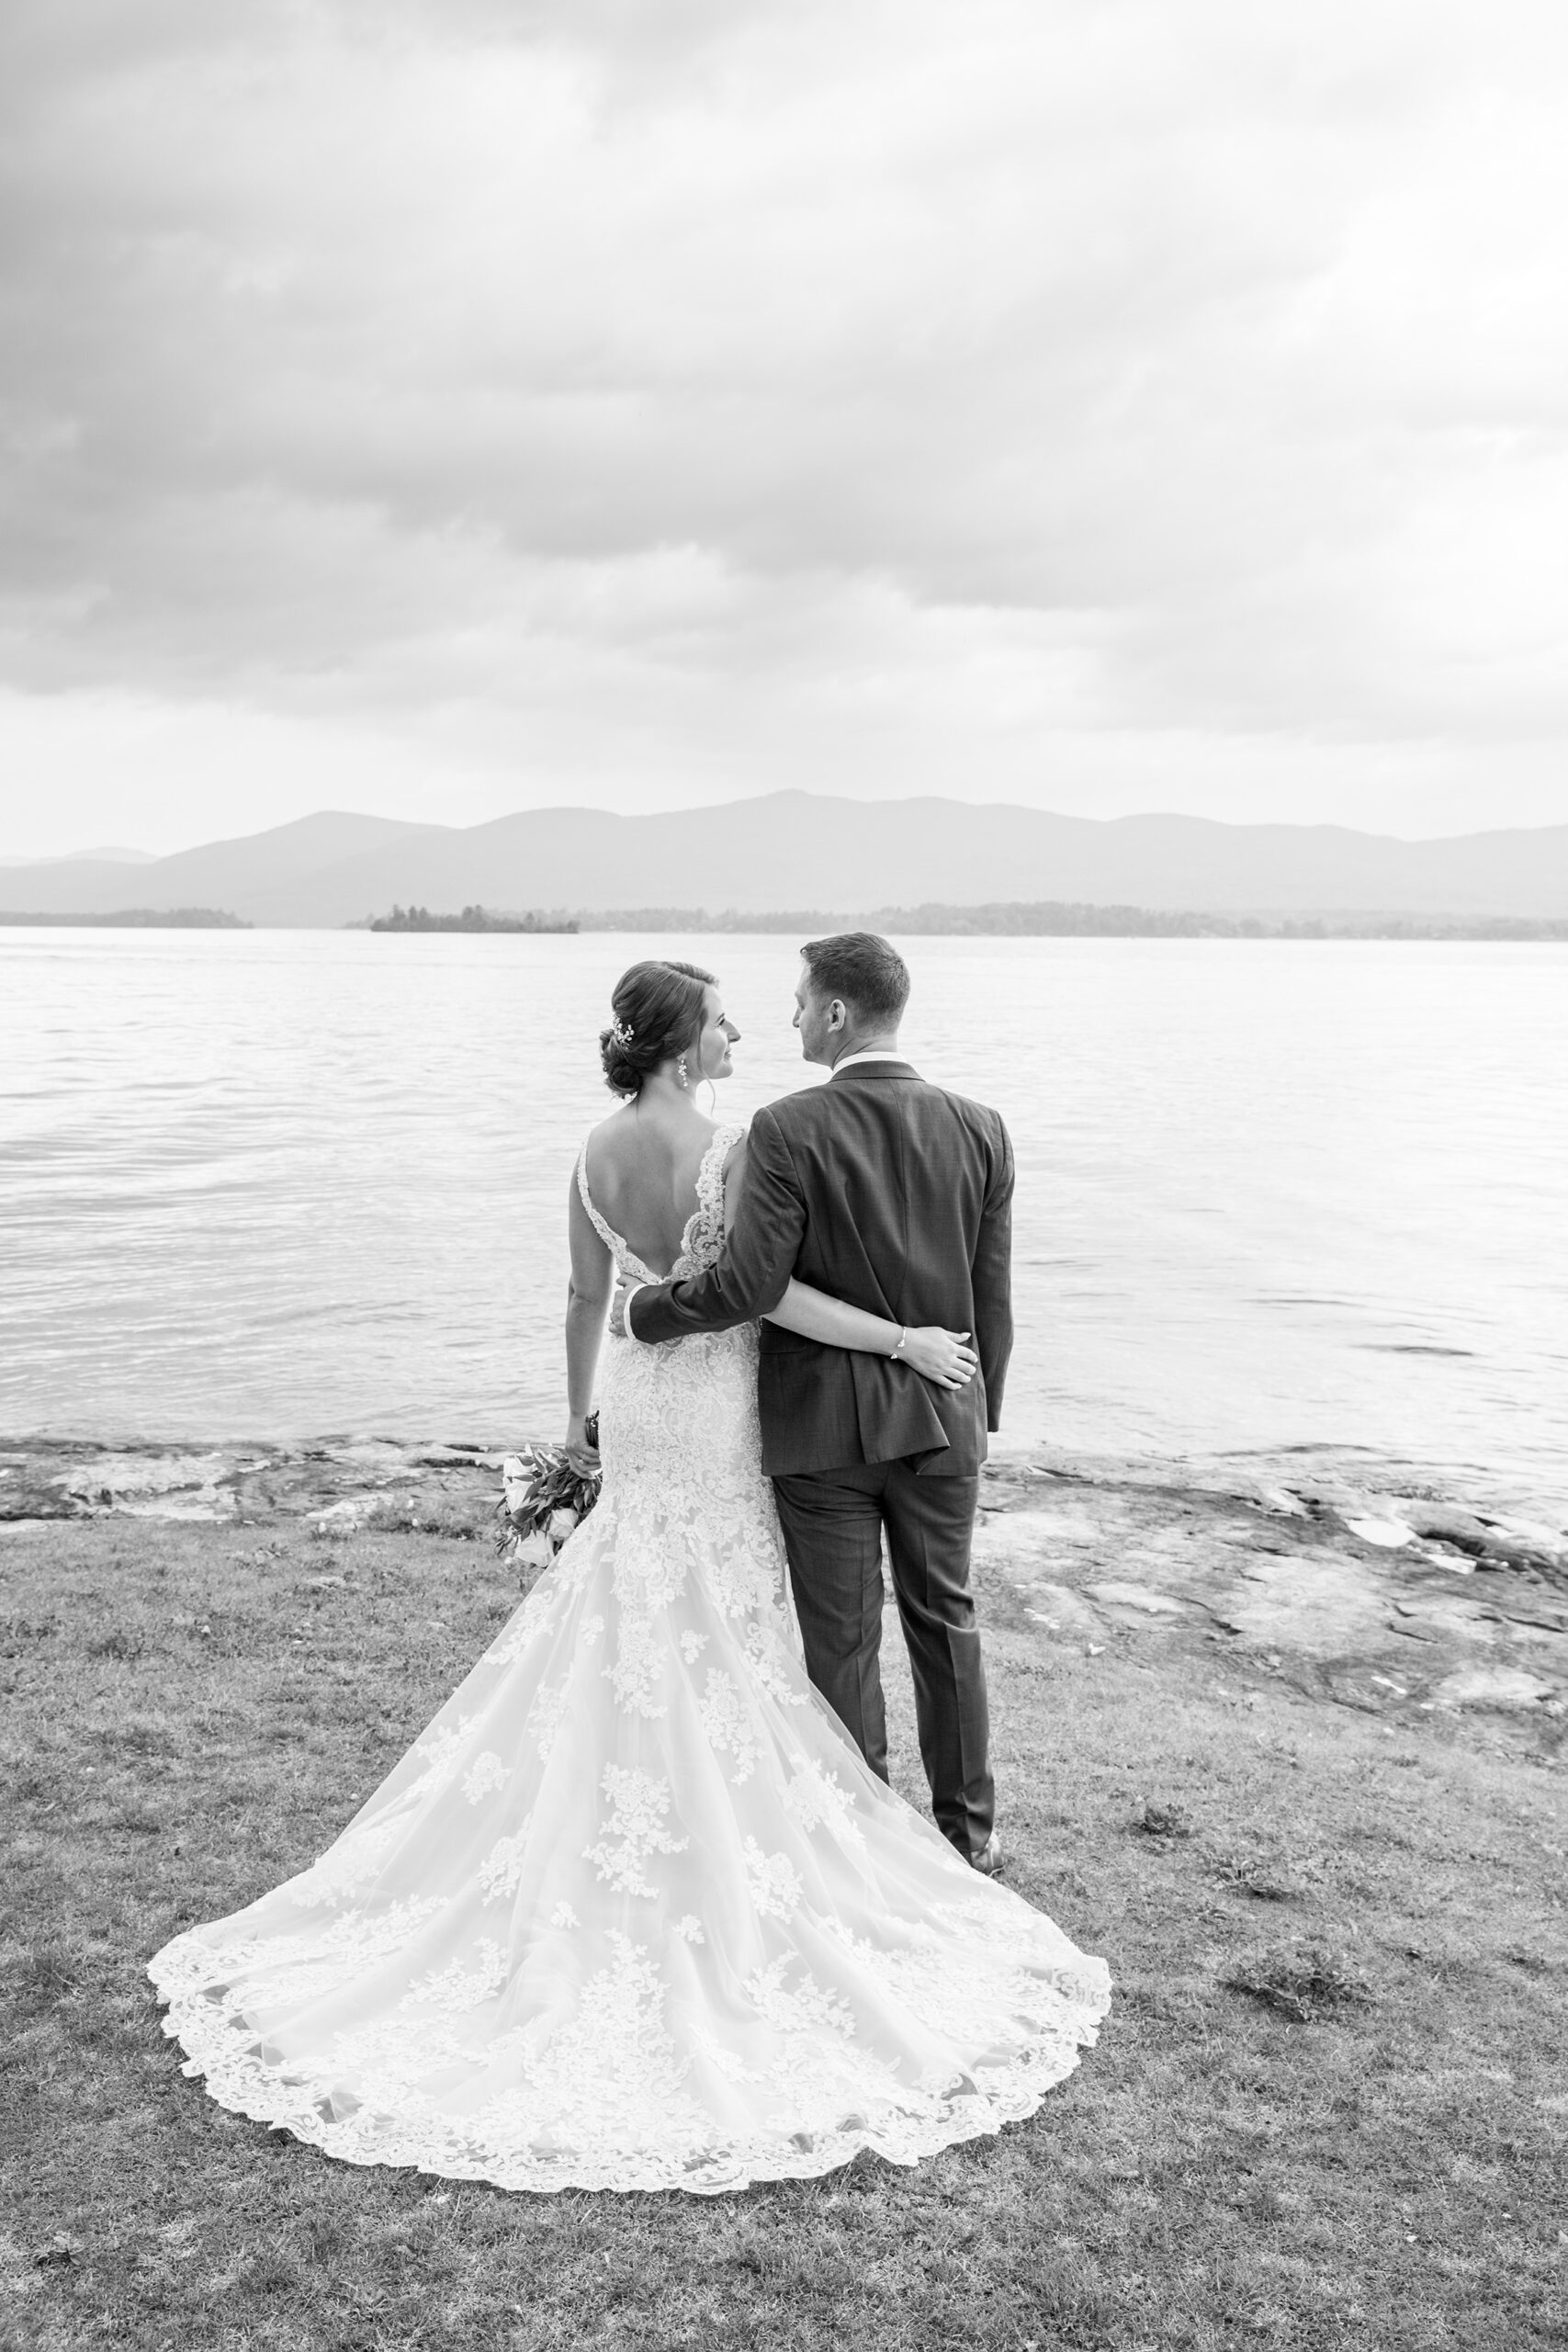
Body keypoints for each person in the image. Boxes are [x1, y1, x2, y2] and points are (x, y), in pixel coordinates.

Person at [150, 956, 1108, 2196]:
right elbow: (768, 1295)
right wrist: (913, 1350)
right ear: (680, 1040)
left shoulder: (593, 1153)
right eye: (720, 1021)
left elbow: (583, 1294)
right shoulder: (745, 1142)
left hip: (641, 1404)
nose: (741, 1032)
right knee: (761, 1610)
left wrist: (575, 1428)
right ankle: (861, 1833)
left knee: (650, 1596)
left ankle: (758, 1810)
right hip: (731, 1404)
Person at [617, 933, 1010, 1871]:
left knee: (840, 1642)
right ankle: (968, 1837)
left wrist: (644, 1313)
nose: (791, 1017)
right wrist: (978, 1415)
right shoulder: (982, 1127)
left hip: (823, 1430)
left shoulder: (786, 1128)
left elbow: (750, 1285)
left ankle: (858, 1842)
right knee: (946, 1623)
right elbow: (991, 1297)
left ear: (836, 1013)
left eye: (799, 1002)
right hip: (944, 1418)